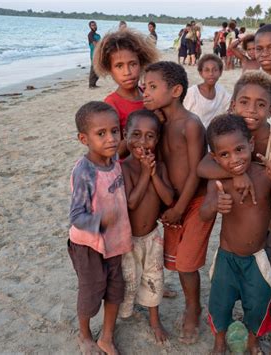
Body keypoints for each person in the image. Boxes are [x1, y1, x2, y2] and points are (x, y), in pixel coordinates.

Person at [197, 71, 271, 355]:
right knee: (220, 301)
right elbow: (205, 190)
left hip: (265, 246)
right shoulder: (225, 161)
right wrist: (233, 178)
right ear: (233, 105)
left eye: (260, 105)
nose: (252, 110)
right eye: (244, 102)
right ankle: (219, 341)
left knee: (262, 297)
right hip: (226, 254)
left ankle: (257, 339)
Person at [143, 61, 215, 344]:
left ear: (175, 90)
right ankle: (190, 301)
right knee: (176, 261)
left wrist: (179, 208)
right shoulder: (159, 124)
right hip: (171, 204)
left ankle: (193, 308)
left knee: (186, 264)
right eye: (144, 87)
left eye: (152, 87)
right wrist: (167, 206)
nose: (145, 93)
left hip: (193, 203)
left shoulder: (192, 125)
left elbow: (198, 171)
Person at [68, 101, 133, 355]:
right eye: (101, 134)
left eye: (115, 131)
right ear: (84, 138)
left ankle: (106, 336)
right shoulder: (84, 171)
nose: (111, 139)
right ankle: (84, 334)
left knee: (116, 289)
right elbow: (76, 216)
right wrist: (99, 221)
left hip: (116, 241)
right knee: (92, 290)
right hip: (88, 245)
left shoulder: (114, 158)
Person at [119, 109, 174, 344]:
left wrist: (152, 175)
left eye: (150, 136)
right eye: (136, 135)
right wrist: (143, 173)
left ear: (158, 139)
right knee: (128, 280)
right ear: (125, 135)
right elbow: (131, 202)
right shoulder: (123, 168)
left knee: (153, 278)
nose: (143, 142)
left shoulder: (159, 168)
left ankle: (154, 320)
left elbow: (169, 199)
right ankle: (122, 315)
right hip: (127, 240)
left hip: (152, 237)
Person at [93, 29, 159, 159]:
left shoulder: (148, 94)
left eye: (132, 64)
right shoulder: (111, 104)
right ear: (110, 70)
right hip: (129, 172)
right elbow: (113, 151)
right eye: (119, 66)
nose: (127, 72)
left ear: (141, 64)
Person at [183, 54, 231, 128]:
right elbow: (183, 117)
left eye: (215, 70)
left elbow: (231, 106)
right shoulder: (192, 93)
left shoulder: (221, 91)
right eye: (206, 70)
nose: (211, 74)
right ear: (201, 73)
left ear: (220, 72)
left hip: (213, 135)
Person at [88, 21, 101, 88]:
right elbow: (95, 44)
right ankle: (91, 85)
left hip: (99, 53)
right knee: (93, 69)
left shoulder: (98, 35)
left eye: (95, 25)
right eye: (92, 25)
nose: (94, 26)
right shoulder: (90, 34)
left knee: (98, 69)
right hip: (94, 54)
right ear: (90, 27)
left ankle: (94, 84)